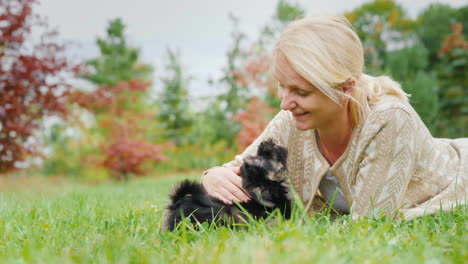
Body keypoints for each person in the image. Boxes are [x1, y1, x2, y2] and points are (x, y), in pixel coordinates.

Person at [201, 15, 468, 220]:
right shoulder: (292, 121)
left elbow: (370, 224)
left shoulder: (389, 120)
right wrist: (212, 176)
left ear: (345, 88)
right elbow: (237, 168)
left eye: (301, 91)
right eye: (282, 85)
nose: (285, 102)